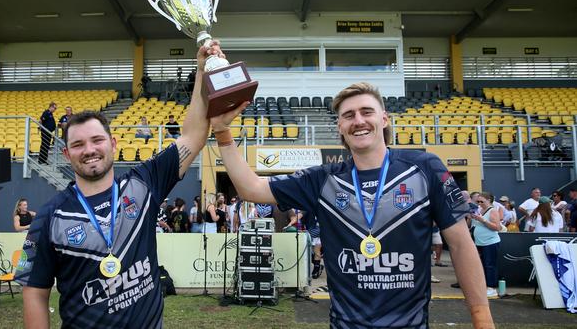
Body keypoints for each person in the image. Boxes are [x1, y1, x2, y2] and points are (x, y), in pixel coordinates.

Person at [210, 82, 494, 328]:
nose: (358, 120)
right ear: (340, 127)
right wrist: (222, 132)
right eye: (348, 115)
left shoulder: (423, 168)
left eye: (366, 112)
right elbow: (251, 188)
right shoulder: (322, 180)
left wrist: (482, 319)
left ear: (384, 119)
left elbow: (460, 244)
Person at [15, 41, 217, 328]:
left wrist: (200, 70)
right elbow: (35, 293)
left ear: (112, 143)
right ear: (66, 153)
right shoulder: (50, 217)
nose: (89, 149)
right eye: (78, 144)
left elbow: (194, 136)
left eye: (97, 140)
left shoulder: (143, 184)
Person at [470, 192, 501, 298]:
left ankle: (491, 288)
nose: (479, 203)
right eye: (478, 201)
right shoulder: (480, 210)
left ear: (489, 200)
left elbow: (497, 227)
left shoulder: (493, 211)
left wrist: (483, 220)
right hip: (480, 242)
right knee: (483, 265)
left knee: (490, 265)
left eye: (481, 201)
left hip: (490, 242)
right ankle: (485, 286)